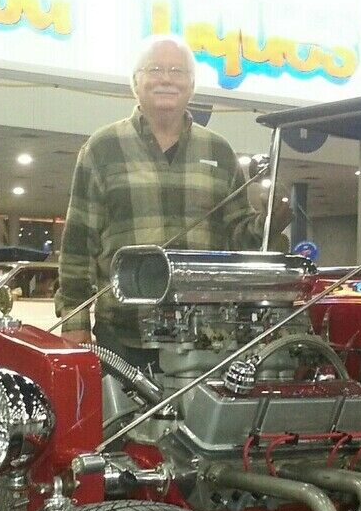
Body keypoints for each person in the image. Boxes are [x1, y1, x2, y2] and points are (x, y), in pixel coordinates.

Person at [57, 34, 289, 365]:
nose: (166, 78)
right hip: (123, 335)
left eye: (177, 71)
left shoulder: (219, 151)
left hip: (206, 338)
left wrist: (268, 224)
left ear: (192, 87)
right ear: (135, 83)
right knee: (120, 419)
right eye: (155, 68)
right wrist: (74, 323)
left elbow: (238, 238)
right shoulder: (101, 148)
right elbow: (78, 246)